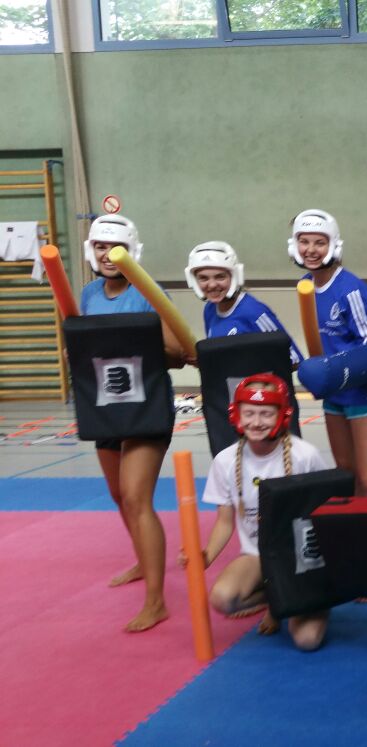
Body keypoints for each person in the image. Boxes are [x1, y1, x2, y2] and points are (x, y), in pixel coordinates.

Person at [80, 214, 186, 632]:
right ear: (91, 250)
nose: (108, 255)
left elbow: (179, 354)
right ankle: (144, 561)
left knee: (137, 496)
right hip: (106, 403)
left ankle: (156, 602)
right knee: (118, 495)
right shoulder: (89, 293)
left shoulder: (148, 292)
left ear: (131, 251)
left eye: (115, 247)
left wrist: (134, 335)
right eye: (100, 247)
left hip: (146, 405)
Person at [196, 374, 330, 649]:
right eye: (249, 413)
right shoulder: (224, 461)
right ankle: (274, 598)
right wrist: (205, 557)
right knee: (223, 599)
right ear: (236, 415)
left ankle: (317, 601)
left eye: (266, 414)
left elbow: (327, 512)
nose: (256, 422)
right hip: (257, 556)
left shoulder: (305, 456)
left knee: (307, 641)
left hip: (302, 556)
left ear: (282, 415)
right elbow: (225, 522)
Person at [288, 208, 367, 497]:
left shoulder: (350, 289)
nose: (311, 249)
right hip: (334, 394)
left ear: (333, 245)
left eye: (319, 242)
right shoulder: (306, 285)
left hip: (364, 394)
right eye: (304, 241)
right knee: (345, 474)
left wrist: (337, 372)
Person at [186, 241, 302, 367]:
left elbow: (294, 359)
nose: (212, 285)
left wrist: (253, 370)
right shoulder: (210, 309)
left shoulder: (254, 312)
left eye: (220, 277)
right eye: (203, 278)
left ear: (235, 276)